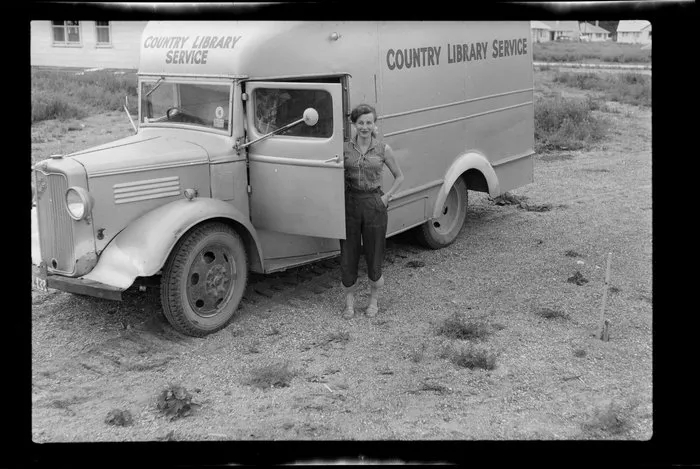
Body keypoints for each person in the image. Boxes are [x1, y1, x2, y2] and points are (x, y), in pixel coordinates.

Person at [340, 104, 404, 319]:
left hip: (374, 204)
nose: (364, 127)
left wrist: (386, 198)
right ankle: (349, 302)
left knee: (374, 252)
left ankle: (373, 300)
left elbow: (399, 176)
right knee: (348, 253)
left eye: (368, 122)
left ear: (374, 124)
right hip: (350, 204)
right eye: (360, 123)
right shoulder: (345, 149)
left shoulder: (383, 149)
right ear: (354, 124)